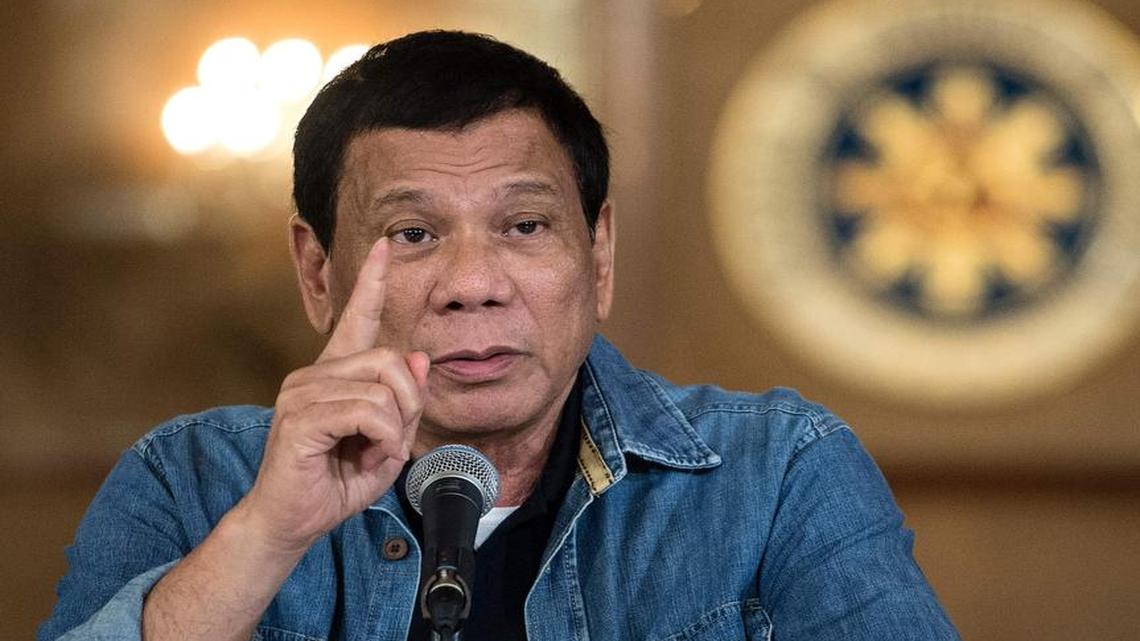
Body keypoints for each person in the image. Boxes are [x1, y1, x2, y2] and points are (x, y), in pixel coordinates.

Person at [40, 30, 959, 641]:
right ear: (318, 271)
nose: (474, 286)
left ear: (597, 253)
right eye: (413, 234)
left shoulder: (778, 474)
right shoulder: (190, 480)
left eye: (525, 226)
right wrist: (268, 533)